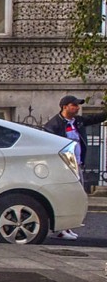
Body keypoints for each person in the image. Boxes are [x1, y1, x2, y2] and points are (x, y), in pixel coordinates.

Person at [43, 93, 105, 239]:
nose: (77, 108)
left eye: (78, 105)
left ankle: (67, 227)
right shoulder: (54, 125)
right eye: (74, 105)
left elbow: (96, 118)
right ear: (65, 107)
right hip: (63, 167)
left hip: (77, 165)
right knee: (65, 196)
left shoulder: (78, 121)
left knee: (75, 196)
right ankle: (61, 229)